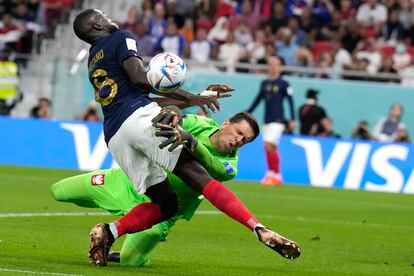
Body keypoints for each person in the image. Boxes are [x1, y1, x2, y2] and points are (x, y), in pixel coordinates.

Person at [72, 9, 300, 266]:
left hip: (115, 134)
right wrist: (187, 95)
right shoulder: (122, 37)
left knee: (166, 205)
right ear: (96, 24)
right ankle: (259, 229)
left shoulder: (93, 57)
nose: (109, 17)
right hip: (138, 119)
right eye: (102, 15)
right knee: (197, 174)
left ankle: (108, 232)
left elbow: (137, 96)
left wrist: (195, 97)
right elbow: (140, 78)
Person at [51, 111, 258, 267]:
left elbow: (212, 165)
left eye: (245, 140)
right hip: (131, 182)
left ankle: (115, 241)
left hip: (163, 212)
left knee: (130, 262)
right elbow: (172, 118)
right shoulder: (200, 124)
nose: (239, 140)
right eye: (239, 132)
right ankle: (111, 228)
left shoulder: (230, 166)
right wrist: (176, 110)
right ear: (225, 124)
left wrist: (192, 142)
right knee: (59, 191)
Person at [247, 56, 296, 186]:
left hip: (278, 119)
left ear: (280, 67)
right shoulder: (264, 83)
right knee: (270, 147)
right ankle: (276, 175)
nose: (273, 67)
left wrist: (293, 119)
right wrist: (247, 112)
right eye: (271, 64)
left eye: (276, 64)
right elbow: (257, 100)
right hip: (267, 120)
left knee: (268, 144)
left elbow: (290, 102)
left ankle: (271, 174)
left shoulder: (284, 84)